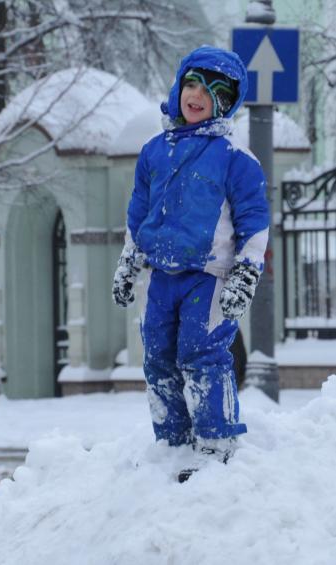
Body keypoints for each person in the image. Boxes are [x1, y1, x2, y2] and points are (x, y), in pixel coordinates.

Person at [112, 45, 269, 481]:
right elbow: (138, 213)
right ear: (180, 84)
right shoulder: (153, 151)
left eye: (213, 91)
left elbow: (255, 223)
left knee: (201, 355)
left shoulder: (237, 158)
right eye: (193, 83)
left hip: (211, 276)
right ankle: (173, 441)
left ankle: (215, 444)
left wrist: (246, 273)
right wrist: (130, 259)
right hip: (162, 276)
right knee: (158, 358)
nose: (197, 95)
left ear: (228, 103)